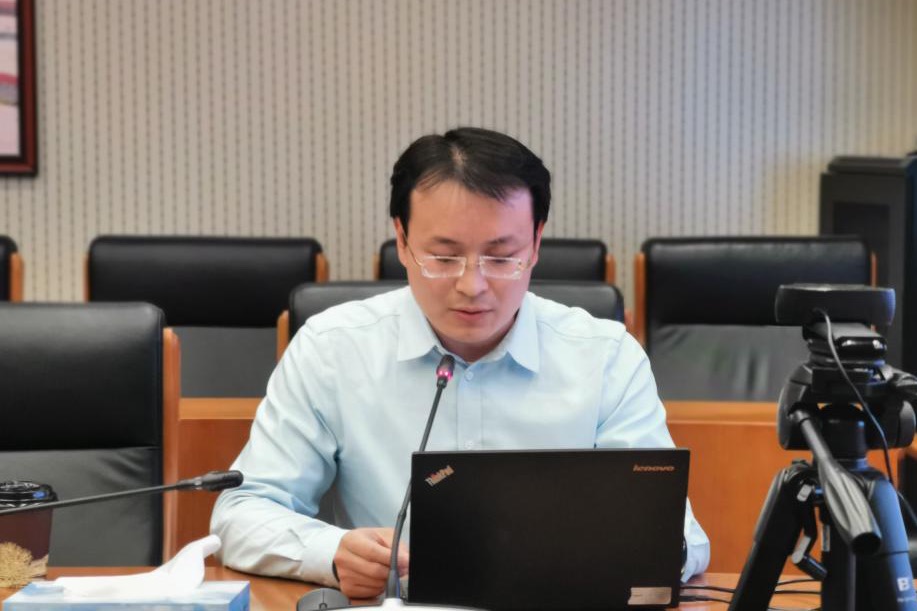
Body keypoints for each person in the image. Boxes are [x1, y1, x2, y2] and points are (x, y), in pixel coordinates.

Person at [211, 127, 710, 598]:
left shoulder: (605, 357)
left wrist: (634, 555)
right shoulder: (332, 350)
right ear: (402, 240)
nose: (472, 285)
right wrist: (332, 552)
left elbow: (678, 535)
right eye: (444, 258)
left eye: (501, 258)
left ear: (536, 242)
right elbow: (241, 513)